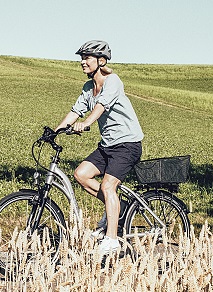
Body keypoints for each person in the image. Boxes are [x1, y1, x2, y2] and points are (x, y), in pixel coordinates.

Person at [54, 40, 144, 255]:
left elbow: (101, 107)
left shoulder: (113, 81)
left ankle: (112, 241)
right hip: (108, 145)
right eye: (81, 58)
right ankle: (116, 208)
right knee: (81, 174)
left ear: (100, 61)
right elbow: (76, 111)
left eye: (87, 58)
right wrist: (55, 131)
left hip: (127, 144)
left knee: (107, 186)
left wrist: (86, 124)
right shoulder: (88, 87)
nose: (82, 62)